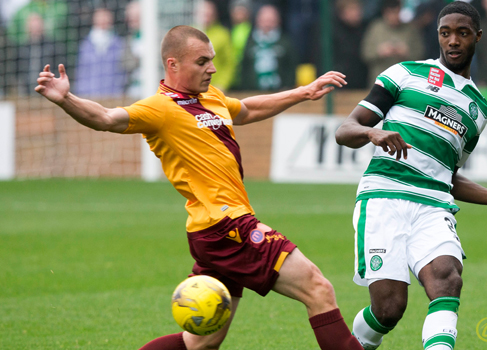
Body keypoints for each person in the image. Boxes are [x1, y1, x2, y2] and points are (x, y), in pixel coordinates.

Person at [35, 25, 364, 350]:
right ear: (172, 64)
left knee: (202, 341)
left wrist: (303, 92)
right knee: (317, 288)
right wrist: (66, 99)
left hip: (213, 231)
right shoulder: (159, 109)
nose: (212, 68)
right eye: (202, 61)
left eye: (212, 60)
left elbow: (248, 109)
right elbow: (106, 118)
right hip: (227, 225)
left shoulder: (211, 97)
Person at [335, 2, 487, 349]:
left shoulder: (478, 109)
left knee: (447, 279)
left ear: (477, 37)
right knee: (389, 308)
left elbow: (448, 177)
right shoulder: (404, 74)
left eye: (462, 33)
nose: (453, 41)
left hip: (433, 207)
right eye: (445, 33)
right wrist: (371, 133)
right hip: (383, 198)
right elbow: (345, 130)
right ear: (438, 35)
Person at [361, 0, 424, 87]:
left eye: (397, 12)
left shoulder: (410, 29)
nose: (394, 16)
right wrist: (379, 52)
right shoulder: (375, 28)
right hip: (380, 81)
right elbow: (365, 54)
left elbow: (421, 55)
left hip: (405, 81)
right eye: (391, 13)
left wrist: (406, 53)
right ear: (385, 13)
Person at [239, 4, 297, 91]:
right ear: (257, 21)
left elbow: (291, 67)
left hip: (279, 92)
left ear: (278, 21)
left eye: (271, 21)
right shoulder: (249, 41)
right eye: (264, 21)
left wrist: (287, 87)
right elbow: (244, 67)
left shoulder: (285, 42)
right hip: (253, 92)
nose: (267, 24)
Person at [74, 8, 126, 96]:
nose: (103, 20)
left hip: (113, 96)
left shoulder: (119, 44)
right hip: (89, 95)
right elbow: (81, 73)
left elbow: (122, 73)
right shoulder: (85, 45)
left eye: (106, 16)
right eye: (100, 17)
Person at [197, 0, 235, 91]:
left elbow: (229, 63)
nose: (206, 17)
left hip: (215, 87)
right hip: (194, 88)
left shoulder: (222, 34)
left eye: (209, 14)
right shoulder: (190, 32)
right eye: (204, 14)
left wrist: (222, 84)